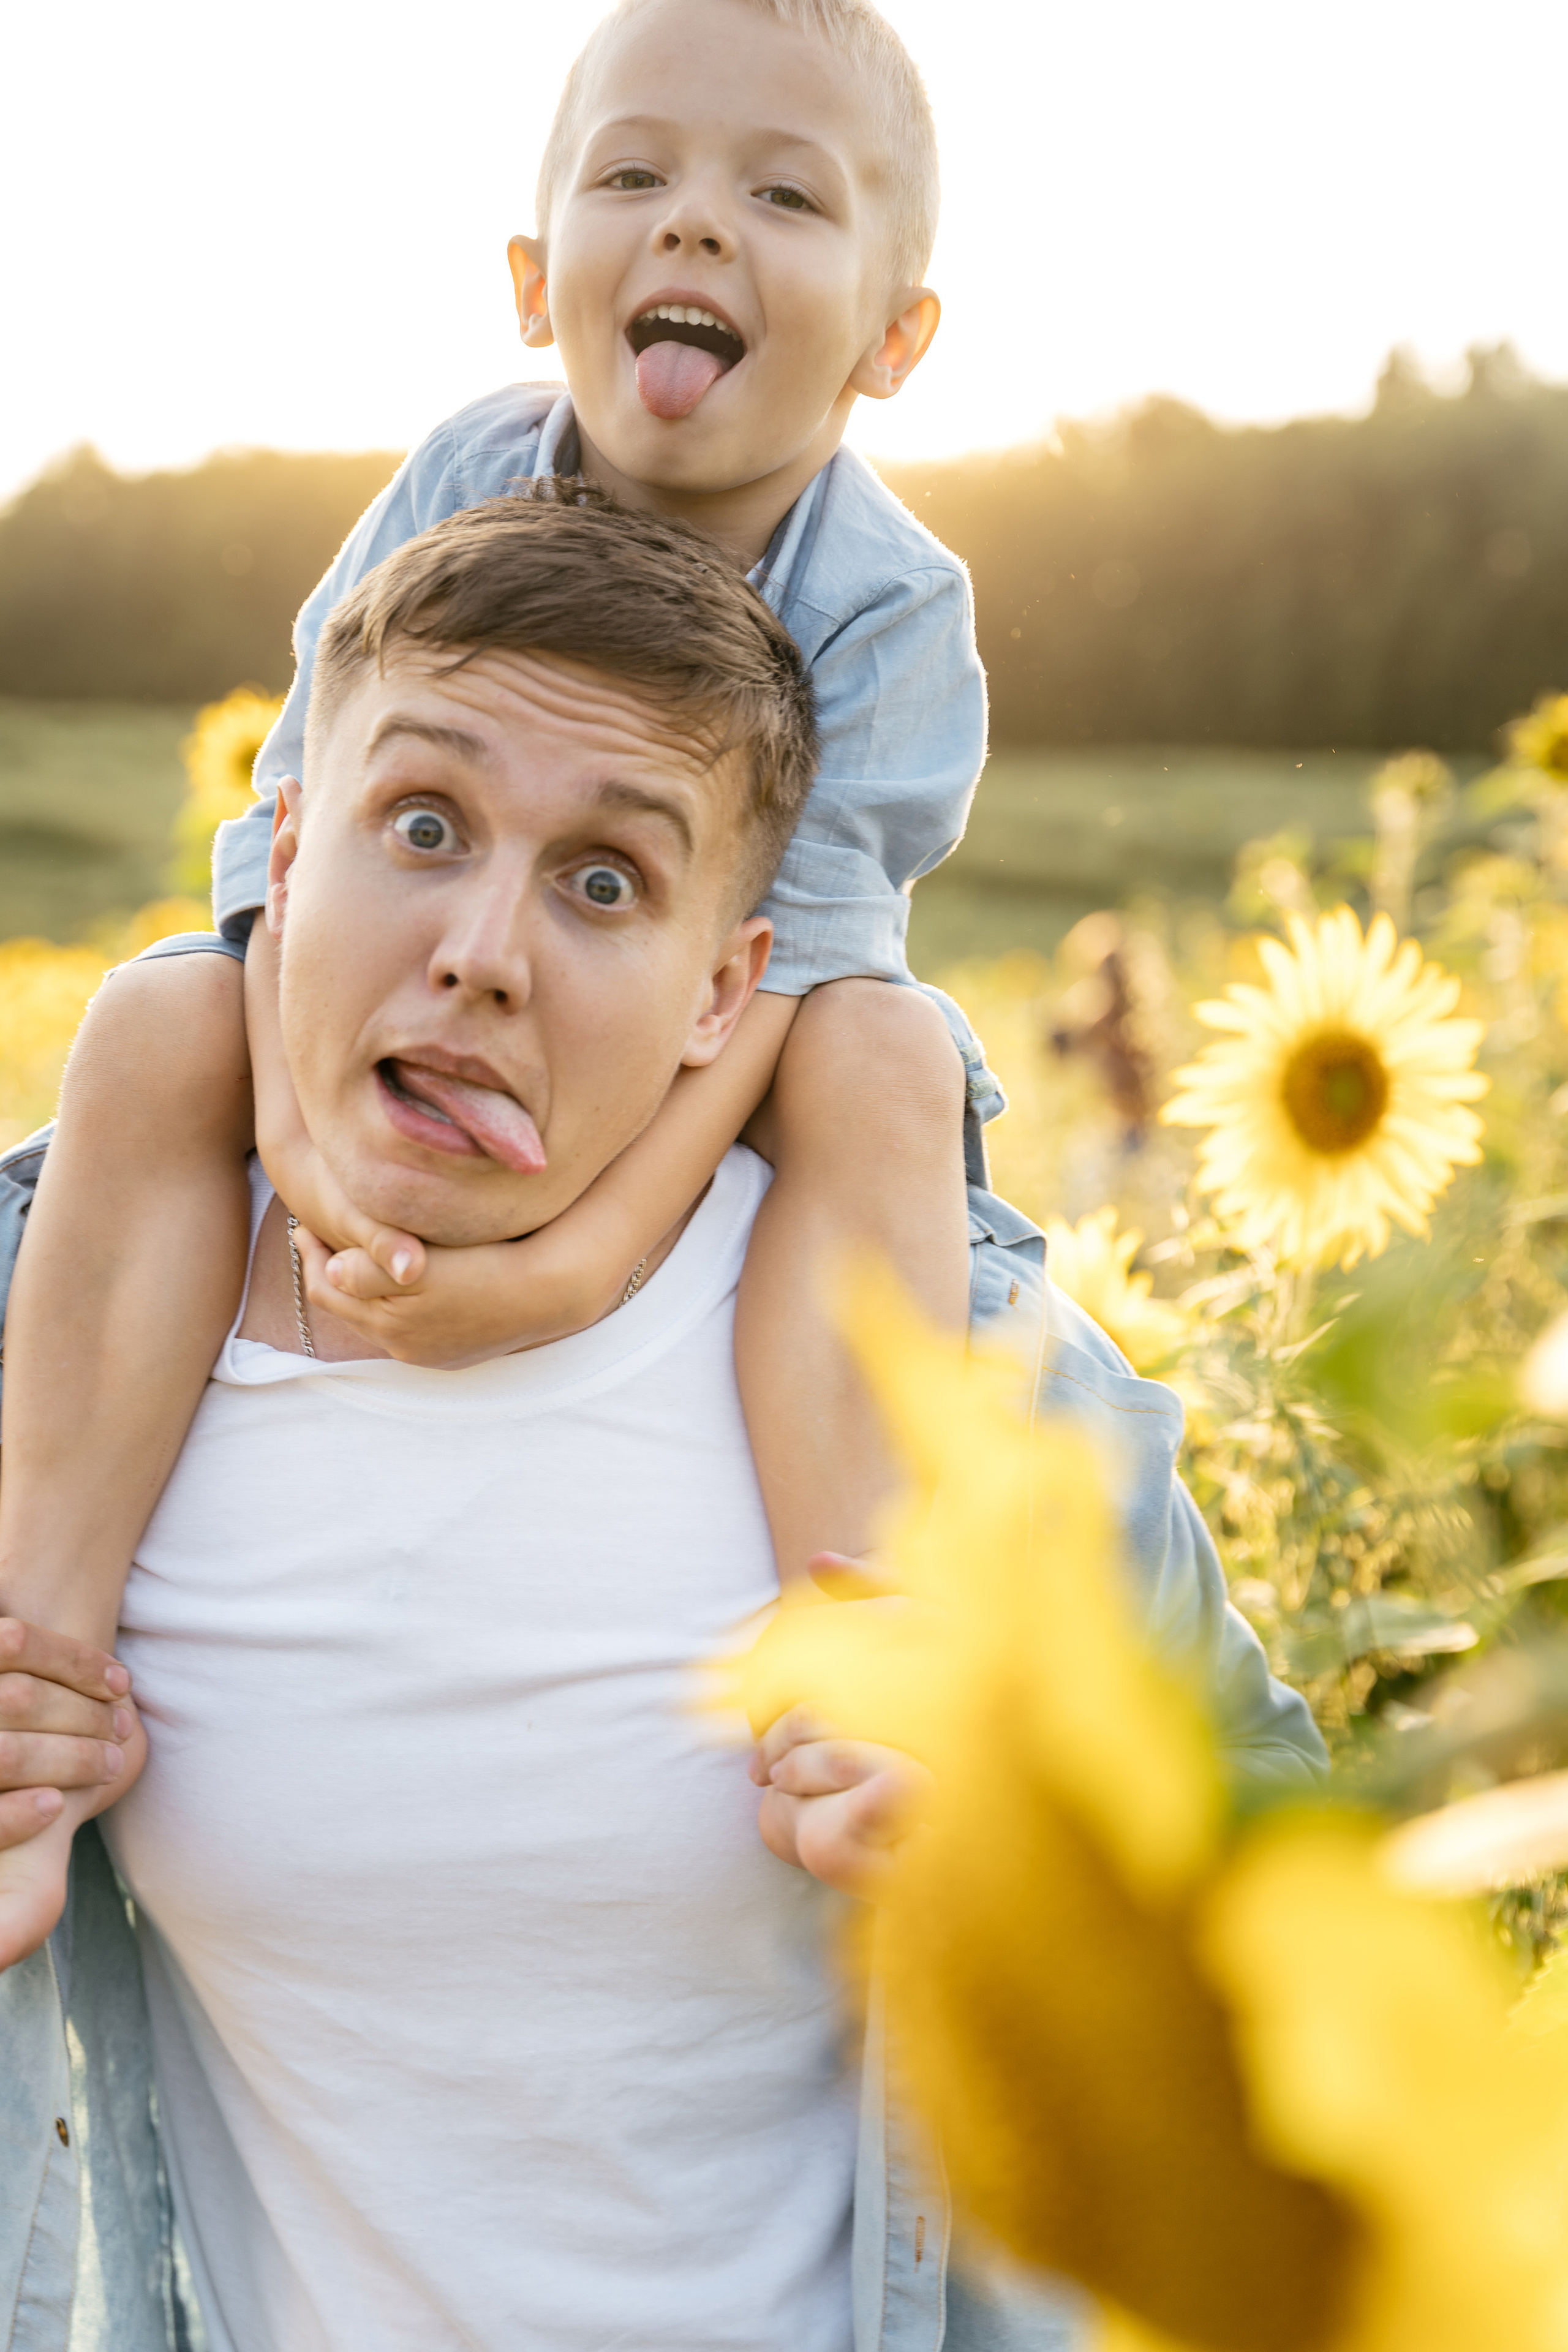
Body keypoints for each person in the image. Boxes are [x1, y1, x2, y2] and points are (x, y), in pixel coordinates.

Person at [0, 494, 1325, 2352]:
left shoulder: (945, 1370)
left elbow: (1319, 1931)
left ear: (728, 991)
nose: (481, 949)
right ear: (281, 860)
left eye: (604, 880)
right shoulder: (62, 1350)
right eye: (424, 825)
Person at [0, 0, 992, 1731]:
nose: (695, 221)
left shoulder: (895, 607)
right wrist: (307, 1165)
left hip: (724, 1037)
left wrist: (565, 1268)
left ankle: (865, 1668)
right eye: (637, 173)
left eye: (786, 197)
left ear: (893, 342)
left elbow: (780, 974)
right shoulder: (467, 469)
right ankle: (38, 1655)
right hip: (400, 992)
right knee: (159, 1016)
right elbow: (293, 847)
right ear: (538, 284)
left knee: (883, 1054)